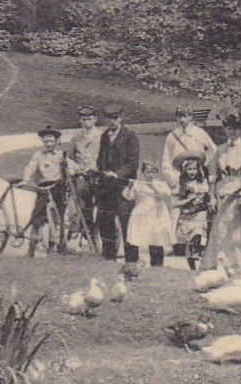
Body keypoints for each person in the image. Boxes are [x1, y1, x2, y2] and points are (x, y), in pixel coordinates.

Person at [207, 114, 241, 273]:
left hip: (239, 195)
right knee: (221, 229)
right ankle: (222, 265)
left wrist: (233, 189)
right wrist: (212, 195)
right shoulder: (220, 150)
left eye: (236, 129)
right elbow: (213, 174)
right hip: (222, 194)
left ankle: (239, 265)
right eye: (229, 128)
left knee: (236, 232)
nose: (232, 132)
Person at [96, 105, 141, 262]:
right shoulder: (104, 136)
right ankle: (109, 257)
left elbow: (133, 163)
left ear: (121, 118)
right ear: (106, 119)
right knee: (105, 220)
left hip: (123, 186)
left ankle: (132, 260)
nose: (113, 121)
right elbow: (100, 160)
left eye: (116, 118)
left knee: (127, 223)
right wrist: (102, 173)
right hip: (106, 187)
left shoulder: (130, 135)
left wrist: (117, 174)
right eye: (110, 118)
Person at [22, 126, 69, 252]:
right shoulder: (38, 155)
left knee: (57, 218)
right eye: (46, 141)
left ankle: (54, 246)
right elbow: (30, 167)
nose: (48, 144)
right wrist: (26, 179)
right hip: (43, 189)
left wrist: (78, 170)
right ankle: (31, 248)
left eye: (51, 141)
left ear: (56, 142)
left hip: (57, 189)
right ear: (43, 141)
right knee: (37, 218)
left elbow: (72, 167)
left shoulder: (60, 155)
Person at [124, 163, 175, 267]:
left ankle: (157, 265)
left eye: (153, 172)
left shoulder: (160, 184)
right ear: (143, 173)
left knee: (156, 238)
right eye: (148, 172)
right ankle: (133, 263)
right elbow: (128, 197)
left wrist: (153, 186)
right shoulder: (138, 184)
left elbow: (166, 194)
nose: (150, 175)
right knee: (136, 237)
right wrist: (129, 187)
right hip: (141, 213)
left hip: (156, 214)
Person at [67, 105, 103, 242]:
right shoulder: (76, 138)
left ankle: (100, 231)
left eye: (89, 119)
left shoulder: (101, 137)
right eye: (83, 119)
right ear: (80, 121)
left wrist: (96, 167)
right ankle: (87, 232)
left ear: (95, 119)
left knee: (103, 204)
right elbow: (70, 157)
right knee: (83, 202)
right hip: (82, 176)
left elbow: (106, 156)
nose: (86, 122)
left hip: (97, 175)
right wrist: (75, 167)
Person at [171, 153, 213, 270]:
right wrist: (188, 199)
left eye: (194, 169)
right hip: (187, 214)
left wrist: (210, 201)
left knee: (198, 232)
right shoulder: (181, 185)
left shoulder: (202, 183)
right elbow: (173, 204)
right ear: (184, 170)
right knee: (188, 242)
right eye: (189, 169)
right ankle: (192, 268)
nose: (192, 172)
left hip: (200, 212)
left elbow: (209, 195)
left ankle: (198, 251)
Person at [160, 106, 217, 176]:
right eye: (179, 117)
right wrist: (171, 176)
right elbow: (166, 158)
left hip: (197, 174)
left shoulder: (199, 132)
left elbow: (215, 150)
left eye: (185, 116)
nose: (182, 120)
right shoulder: (172, 136)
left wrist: (208, 166)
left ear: (190, 117)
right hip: (178, 175)